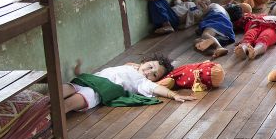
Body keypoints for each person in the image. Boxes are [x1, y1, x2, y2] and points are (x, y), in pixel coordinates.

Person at [61, 56, 192, 113]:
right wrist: (79, 72)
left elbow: (157, 88)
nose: (149, 72)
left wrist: (173, 95)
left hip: (97, 92)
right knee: (58, 92)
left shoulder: (143, 82)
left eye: (154, 74)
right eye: (150, 66)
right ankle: (40, 107)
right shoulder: (130, 66)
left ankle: (43, 123)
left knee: (66, 105)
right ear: (145, 61)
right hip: (88, 80)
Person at [138, 0, 209, 34]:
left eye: (205, 3)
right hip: (169, 12)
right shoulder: (189, 3)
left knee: (159, 2)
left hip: (174, 18)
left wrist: (204, 11)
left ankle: (167, 25)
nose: (202, 2)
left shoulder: (198, 11)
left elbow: (194, 18)